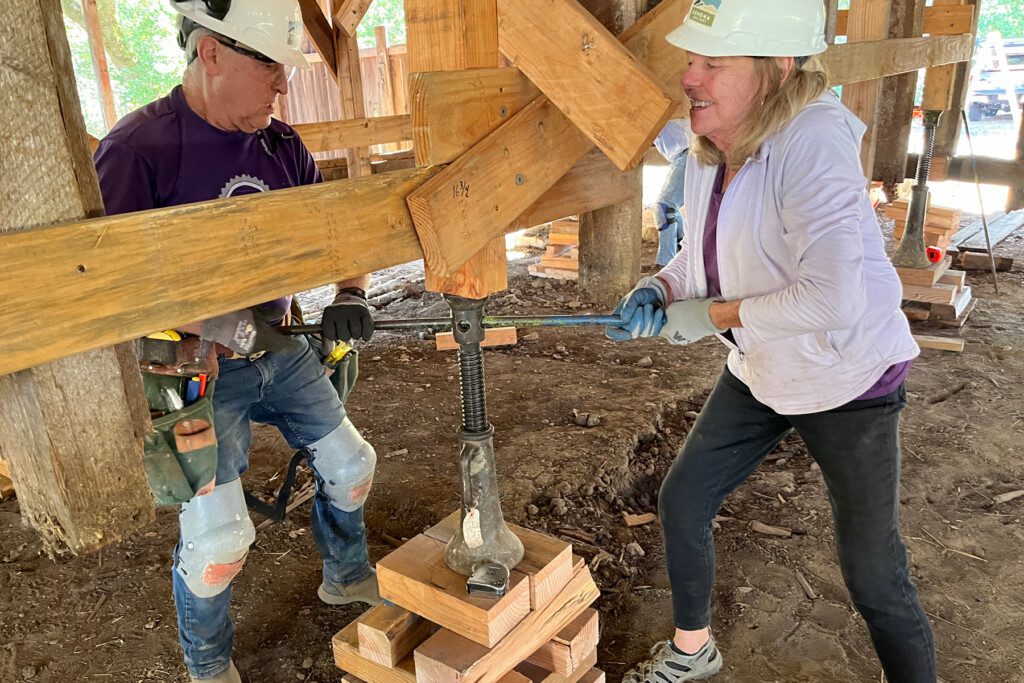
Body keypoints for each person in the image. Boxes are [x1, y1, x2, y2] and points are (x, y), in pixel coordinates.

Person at [606, 1, 936, 681]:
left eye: (712, 64)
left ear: (777, 69)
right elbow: (706, 256)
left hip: (847, 375)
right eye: (692, 60)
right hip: (764, 364)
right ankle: (695, 651)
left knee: (873, 574)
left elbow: (835, 297)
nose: (690, 78)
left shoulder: (812, 143)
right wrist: (663, 290)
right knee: (684, 496)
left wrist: (713, 315)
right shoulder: (711, 142)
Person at [93, 2, 382, 681]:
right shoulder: (136, 151)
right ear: (210, 54)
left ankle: (346, 575)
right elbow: (115, 288)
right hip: (192, 369)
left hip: (279, 349)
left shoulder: (280, 145)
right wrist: (232, 327)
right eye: (269, 67)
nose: (282, 86)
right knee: (219, 540)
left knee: (352, 468)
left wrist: (350, 292)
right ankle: (207, 661)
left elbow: (341, 232)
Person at [652, 119, 691, 267]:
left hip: (688, 153)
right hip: (683, 155)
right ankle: (685, 249)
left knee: (664, 207)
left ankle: (666, 263)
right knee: (669, 207)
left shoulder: (656, 107)